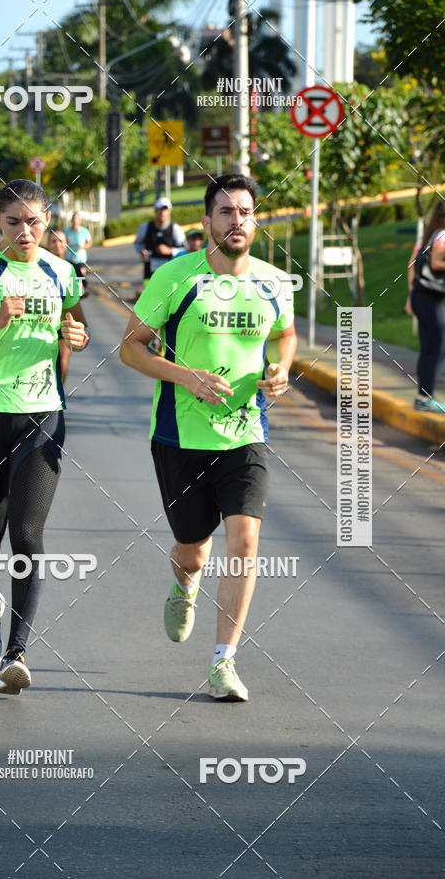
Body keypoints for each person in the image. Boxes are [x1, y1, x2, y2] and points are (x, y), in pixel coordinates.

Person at [120, 173, 296, 701]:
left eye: (244, 211)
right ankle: (184, 582)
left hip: (246, 434)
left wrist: (281, 369)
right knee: (194, 550)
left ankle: (225, 661)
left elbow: (284, 335)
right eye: (225, 211)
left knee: (244, 542)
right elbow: (131, 347)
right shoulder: (175, 278)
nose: (236, 220)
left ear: (255, 220)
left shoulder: (273, 281)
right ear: (207, 222)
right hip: (180, 436)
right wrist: (187, 376)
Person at [0, 179, 89, 695]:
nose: (25, 232)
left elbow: (76, 327)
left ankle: (17, 649)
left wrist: (78, 335)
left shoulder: (62, 272)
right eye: (13, 222)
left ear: (47, 221)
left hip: (42, 416)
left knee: (27, 535)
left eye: (34, 221)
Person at [405, 201, 445, 413]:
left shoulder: (428, 235)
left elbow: (411, 264)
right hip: (430, 297)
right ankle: (425, 396)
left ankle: (423, 397)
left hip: (421, 296)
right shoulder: (442, 235)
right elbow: (437, 263)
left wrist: (410, 296)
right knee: (438, 348)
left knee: (428, 348)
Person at [134, 197, 186, 297]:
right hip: (150, 273)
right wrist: (141, 251)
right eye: (159, 209)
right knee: (151, 298)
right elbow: (137, 243)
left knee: (166, 299)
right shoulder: (145, 227)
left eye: (165, 209)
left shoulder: (175, 229)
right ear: (155, 211)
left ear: (169, 212)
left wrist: (170, 251)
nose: (162, 212)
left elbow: (184, 249)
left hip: (170, 273)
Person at [46, 227, 79, 383]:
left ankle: (59, 391)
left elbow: (79, 291)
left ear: (66, 244)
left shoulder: (72, 268)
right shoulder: (40, 266)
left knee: (63, 359)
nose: (57, 245)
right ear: (47, 244)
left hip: (65, 320)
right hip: (45, 319)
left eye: (61, 241)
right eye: (53, 241)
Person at [64, 211, 92, 295]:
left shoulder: (84, 231)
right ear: (71, 221)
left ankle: (82, 290)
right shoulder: (66, 231)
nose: (75, 221)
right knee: (71, 276)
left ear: (80, 221)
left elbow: (89, 242)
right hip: (69, 258)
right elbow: (61, 242)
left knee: (81, 273)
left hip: (80, 259)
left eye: (77, 219)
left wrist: (82, 247)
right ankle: (73, 293)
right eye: (74, 219)